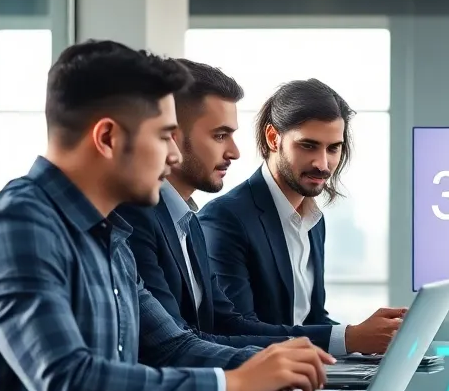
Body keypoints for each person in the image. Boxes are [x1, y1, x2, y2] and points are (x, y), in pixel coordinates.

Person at [0, 40, 332, 391]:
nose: (174, 157)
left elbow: (172, 346)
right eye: (164, 137)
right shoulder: (17, 229)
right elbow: (70, 385)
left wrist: (274, 369)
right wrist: (234, 383)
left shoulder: (108, 236)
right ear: (107, 138)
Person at [115, 60, 349, 354]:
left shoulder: (188, 222)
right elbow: (173, 346)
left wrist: (339, 342)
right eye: (219, 135)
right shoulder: (140, 219)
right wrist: (288, 360)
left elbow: (225, 325)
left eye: (333, 148)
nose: (235, 152)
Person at [197, 78, 404, 354]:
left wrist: (372, 338)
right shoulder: (225, 219)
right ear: (273, 138)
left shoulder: (314, 220)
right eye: (308, 145)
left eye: (333, 148)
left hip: (304, 372)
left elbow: (310, 320)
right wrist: (350, 338)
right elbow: (235, 330)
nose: (323, 164)